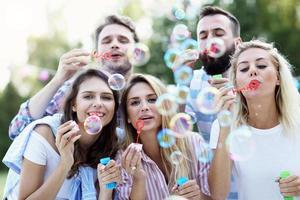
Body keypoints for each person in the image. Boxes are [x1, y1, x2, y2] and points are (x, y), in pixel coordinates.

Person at [8, 14, 139, 140]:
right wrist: (58, 79)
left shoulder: (146, 92)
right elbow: (17, 131)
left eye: (123, 40)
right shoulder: (75, 89)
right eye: (106, 41)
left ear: (137, 51)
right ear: (97, 52)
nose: (114, 44)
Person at [3, 69, 121, 199]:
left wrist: (106, 191)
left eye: (106, 97)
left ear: (115, 106)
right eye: (88, 96)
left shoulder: (116, 141)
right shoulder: (44, 134)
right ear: (74, 105)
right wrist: (65, 164)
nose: (98, 103)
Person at [208, 40, 300, 200]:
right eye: (244, 68)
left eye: (262, 66)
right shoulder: (224, 126)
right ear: (236, 83)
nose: (252, 71)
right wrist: (225, 126)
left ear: (278, 77)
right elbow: (218, 194)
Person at [114, 74, 211, 199]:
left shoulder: (193, 142)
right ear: (127, 116)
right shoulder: (124, 159)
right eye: (135, 102)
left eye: (152, 99)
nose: (144, 107)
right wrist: (139, 179)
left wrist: (198, 196)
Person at [185, 6, 242, 143]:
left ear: (238, 43)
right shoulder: (193, 82)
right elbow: (176, 134)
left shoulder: (254, 78)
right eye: (203, 36)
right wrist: (183, 83)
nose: (210, 41)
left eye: (218, 34)